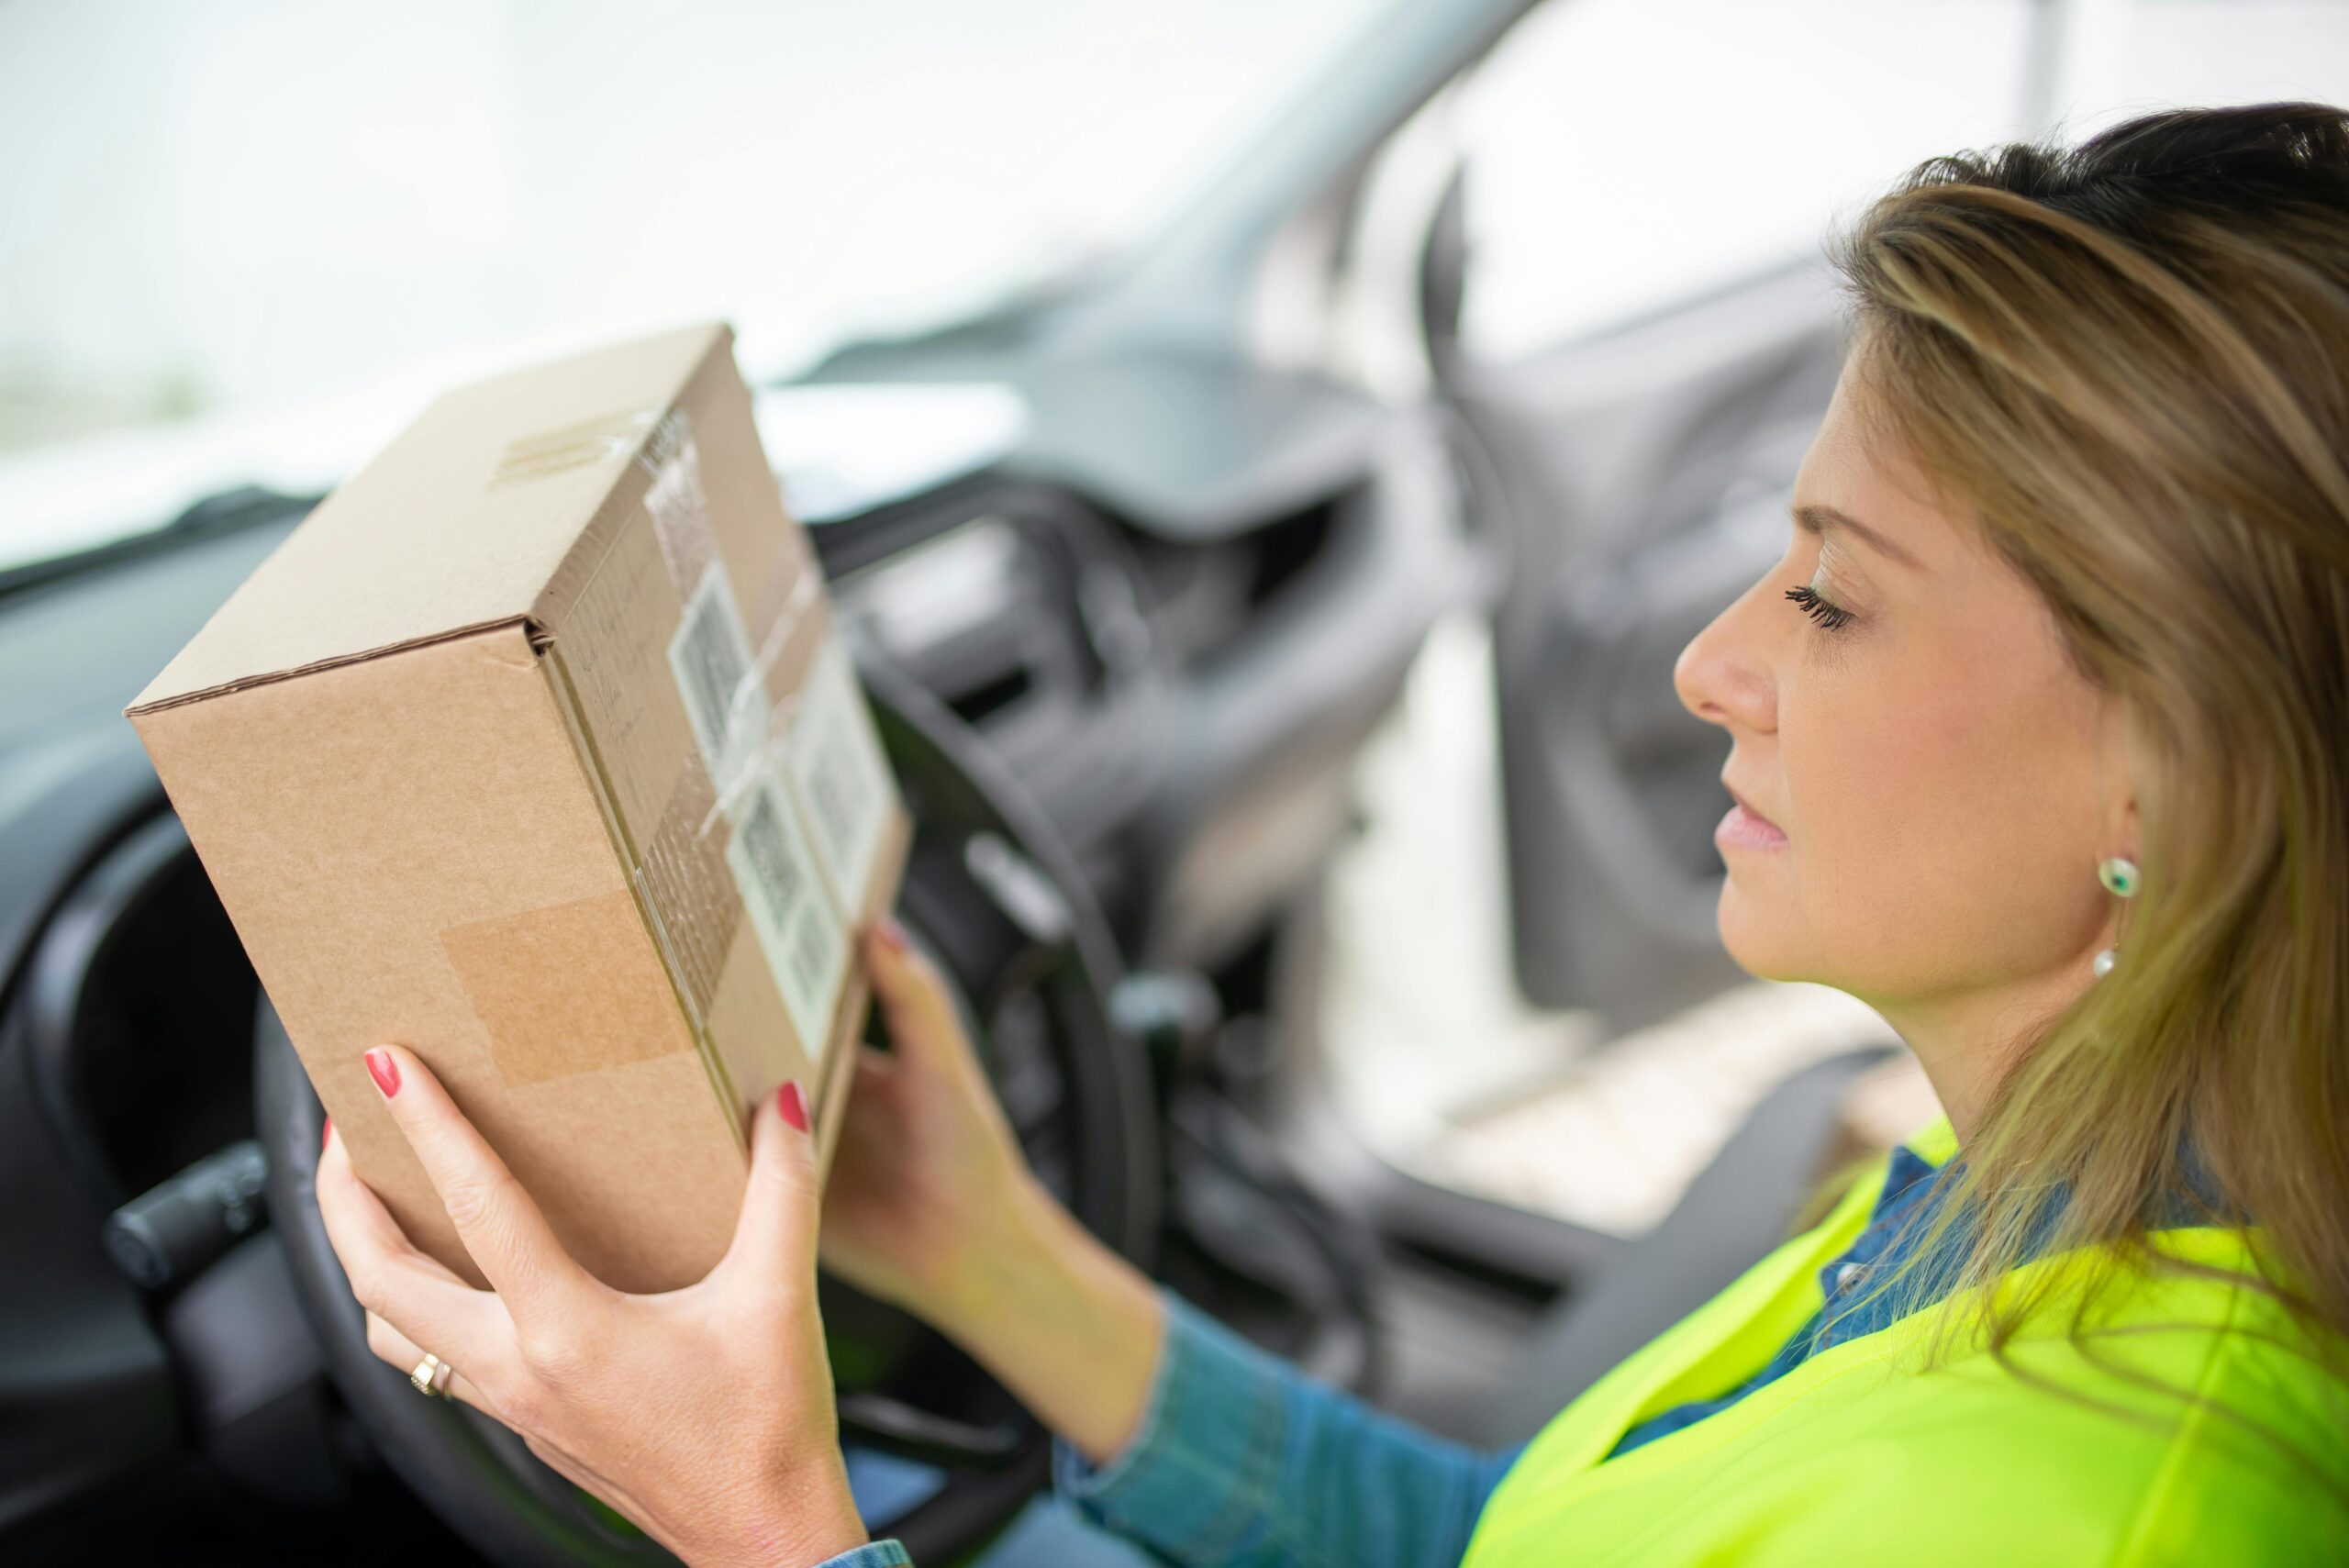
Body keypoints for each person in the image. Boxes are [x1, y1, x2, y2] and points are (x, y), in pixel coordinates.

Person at [316, 102, 2349, 1566]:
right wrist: (992, 1254)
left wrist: (754, 1519)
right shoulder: (2017, 1170)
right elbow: (1500, 1545)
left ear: (2163, 776)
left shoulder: (2072, 1517)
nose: (1709, 666)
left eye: (1827, 593)